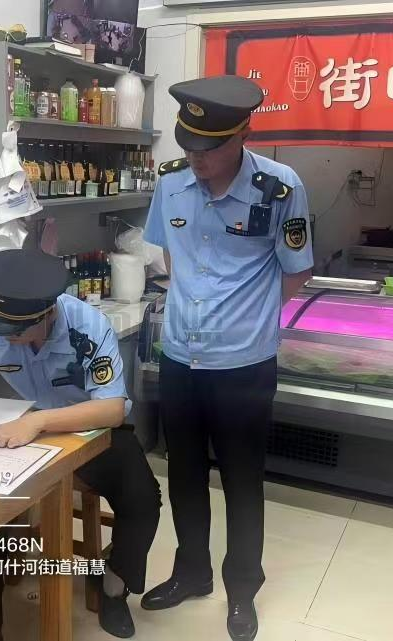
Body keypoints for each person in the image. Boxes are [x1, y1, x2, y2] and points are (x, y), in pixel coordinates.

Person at [140, 75, 314, 641]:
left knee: (242, 479)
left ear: (243, 135)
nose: (198, 159)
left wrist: (247, 320)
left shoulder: (280, 188)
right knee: (183, 472)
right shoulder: (171, 182)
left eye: (210, 148)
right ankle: (192, 572)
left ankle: (242, 587)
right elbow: (172, 255)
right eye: (189, 146)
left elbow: (297, 272)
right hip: (180, 358)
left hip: (244, 365)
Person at [0, 248, 161, 640]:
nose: (8, 339)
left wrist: (38, 422)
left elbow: (111, 409)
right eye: (1, 331)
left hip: (85, 426)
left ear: (47, 314)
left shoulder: (87, 326)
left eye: (17, 333)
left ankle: (112, 588)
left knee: (143, 499)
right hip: (28, 430)